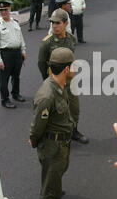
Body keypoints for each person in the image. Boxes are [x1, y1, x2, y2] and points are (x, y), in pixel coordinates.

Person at [30, 47, 76, 199]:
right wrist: (34, 140)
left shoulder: (59, 85)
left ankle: (53, 191)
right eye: (73, 66)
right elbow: (37, 124)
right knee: (51, 180)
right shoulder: (47, 94)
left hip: (61, 142)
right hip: (52, 145)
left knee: (58, 171)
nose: (75, 69)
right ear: (66, 69)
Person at [38, 8, 88, 145]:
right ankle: (56, 136)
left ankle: (74, 131)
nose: (54, 26)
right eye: (52, 23)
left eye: (57, 23)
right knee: (56, 112)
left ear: (65, 23)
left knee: (74, 108)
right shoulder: (47, 42)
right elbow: (41, 63)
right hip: (54, 83)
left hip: (70, 81)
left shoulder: (71, 38)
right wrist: (48, 81)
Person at [0, 0, 27, 109]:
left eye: (5, 9)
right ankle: (5, 99)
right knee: (4, 79)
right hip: (5, 54)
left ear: (10, 9)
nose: (3, 12)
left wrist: (23, 51)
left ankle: (15, 94)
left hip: (17, 53)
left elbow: (20, 38)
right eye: (1, 10)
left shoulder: (15, 22)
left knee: (16, 76)